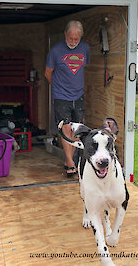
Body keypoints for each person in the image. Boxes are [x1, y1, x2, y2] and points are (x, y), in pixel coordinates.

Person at [45, 20, 90, 177]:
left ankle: (70, 160)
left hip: (78, 96)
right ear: (65, 34)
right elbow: (48, 73)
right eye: (70, 38)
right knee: (65, 128)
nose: (73, 42)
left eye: (76, 39)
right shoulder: (56, 51)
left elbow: (83, 70)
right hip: (61, 96)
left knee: (76, 130)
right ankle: (70, 162)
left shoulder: (85, 49)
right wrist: (58, 88)